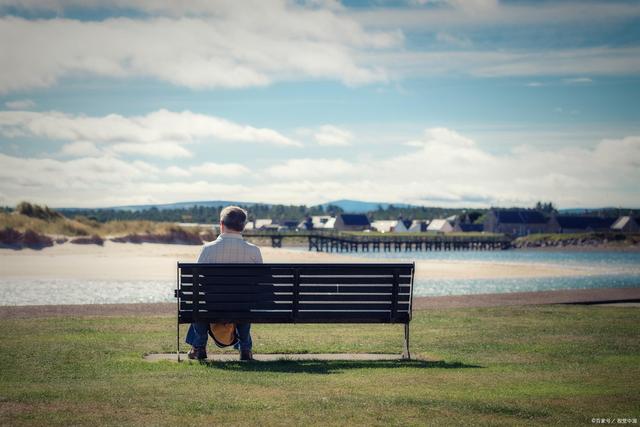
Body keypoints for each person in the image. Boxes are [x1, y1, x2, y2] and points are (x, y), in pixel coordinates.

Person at [185, 205, 263, 361]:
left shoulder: (207, 249)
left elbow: (197, 284)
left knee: (197, 305)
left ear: (221, 224)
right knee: (243, 302)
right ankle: (245, 350)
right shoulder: (254, 251)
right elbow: (259, 284)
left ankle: (199, 347)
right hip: (243, 307)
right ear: (243, 226)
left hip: (212, 306)